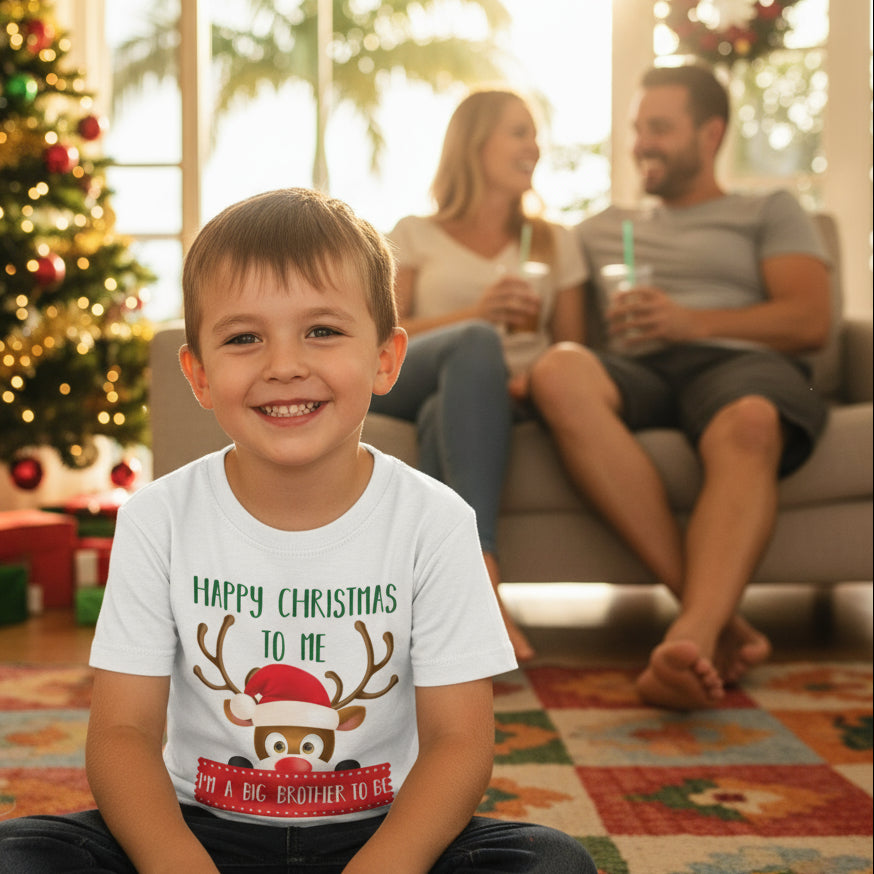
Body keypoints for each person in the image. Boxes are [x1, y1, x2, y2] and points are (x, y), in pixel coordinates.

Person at [0, 189, 594, 873]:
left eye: (322, 331)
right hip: (200, 832)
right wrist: (175, 863)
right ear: (199, 375)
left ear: (385, 359)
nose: (283, 365)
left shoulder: (437, 523)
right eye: (244, 338)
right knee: (19, 854)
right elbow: (122, 733)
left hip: (382, 836)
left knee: (551, 862)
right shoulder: (156, 519)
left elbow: (459, 745)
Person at [526, 63, 831, 711]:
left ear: (710, 134)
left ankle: (689, 637)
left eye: (660, 128)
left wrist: (692, 321)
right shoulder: (599, 228)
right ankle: (718, 621)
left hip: (738, 363)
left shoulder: (767, 210)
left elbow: (810, 319)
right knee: (559, 369)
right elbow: (533, 275)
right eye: (638, 128)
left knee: (751, 420)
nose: (642, 144)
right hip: (638, 369)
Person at [372, 87, 588, 661]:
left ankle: (447, 606)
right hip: (413, 371)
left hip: (508, 394)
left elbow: (573, 348)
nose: (533, 146)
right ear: (474, 144)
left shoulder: (555, 241)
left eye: (535, 134)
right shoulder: (414, 233)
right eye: (519, 132)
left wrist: (534, 380)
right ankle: (485, 582)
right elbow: (382, 335)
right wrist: (478, 314)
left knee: (444, 411)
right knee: (474, 342)